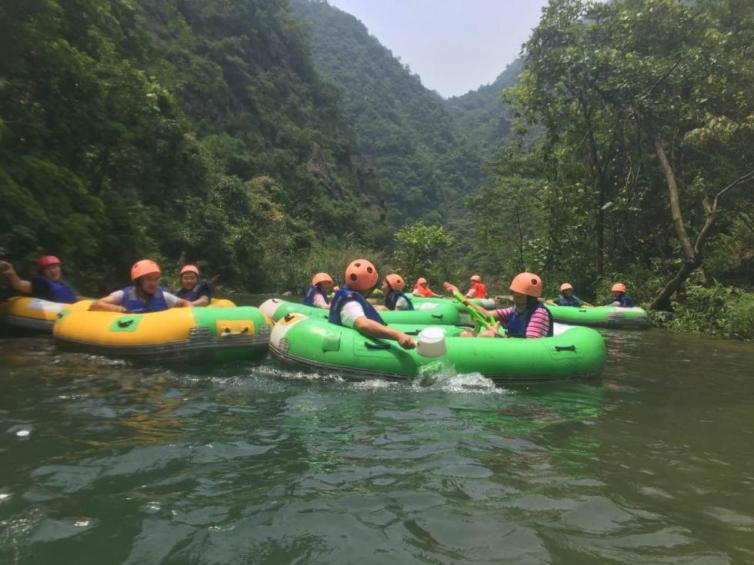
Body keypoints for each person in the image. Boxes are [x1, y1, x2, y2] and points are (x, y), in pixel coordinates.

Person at [329, 259, 415, 349]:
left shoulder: (347, 297)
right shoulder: (351, 303)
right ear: (371, 285)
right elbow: (363, 324)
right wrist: (398, 335)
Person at [446, 272, 552, 338]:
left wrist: (497, 335)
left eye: (519, 296)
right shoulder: (516, 310)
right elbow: (487, 314)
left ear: (530, 297)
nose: (515, 299)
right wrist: (461, 297)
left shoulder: (539, 314)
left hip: (524, 357)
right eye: (514, 294)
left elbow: (530, 347)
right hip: (512, 344)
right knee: (466, 335)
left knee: (486, 336)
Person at [91, 259, 190, 313]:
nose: (153, 283)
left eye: (156, 279)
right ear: (138, 281)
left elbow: (185, 303)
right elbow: (96, 304)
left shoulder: (164, 296)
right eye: (148, 279)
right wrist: (118, 309)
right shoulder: (123, 294)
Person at [0, 256, 80, 303]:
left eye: (56, 267)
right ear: (42, 272)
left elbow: (75, 298)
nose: (53, 271)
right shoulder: (40, 284)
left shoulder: (62, 284)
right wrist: (13, 275)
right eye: (49, 269)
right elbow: (19, 285)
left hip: (70, 311)